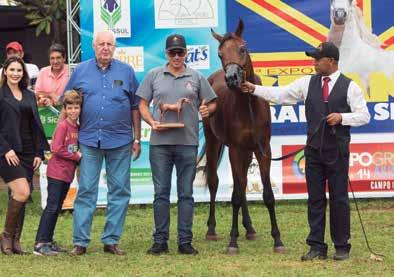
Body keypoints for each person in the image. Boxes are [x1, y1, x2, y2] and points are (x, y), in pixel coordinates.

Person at [241, 42, 370, 261]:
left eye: (318, 59)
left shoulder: (350, 87)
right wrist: (255, 89)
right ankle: (317, 246)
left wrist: (342, 117)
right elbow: (280, 94)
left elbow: (364, 116)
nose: (314, 62)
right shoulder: (307, 83)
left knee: (339, 199)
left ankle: (342, 246)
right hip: (313, 152)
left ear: (331, 61)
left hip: (337, 152)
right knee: (315, 199)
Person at [137, 34, 217, 255]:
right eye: (172, 52)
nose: (176, 56)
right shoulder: (153, 75)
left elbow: (212, 103)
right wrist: (150, 120)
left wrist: (206, 110)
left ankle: (185, 241)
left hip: (187, 143)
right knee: (161, 193)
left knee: (186, 193)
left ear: (186, 53)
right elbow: (142, 104)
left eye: (180, 52)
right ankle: (160, 241)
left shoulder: (197, 77)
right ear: (166, 54)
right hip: (159, 145)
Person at [64, 30, 141, 256]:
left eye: (109, 44)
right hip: (88, 140)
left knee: (119, 191)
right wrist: (68, 136)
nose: (105, 48)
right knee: (86, 190)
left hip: (120, 141)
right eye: (101, 44)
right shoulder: (80, 71)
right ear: (94, 47)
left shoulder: (126, 71)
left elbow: (135, 106)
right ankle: (80, 242)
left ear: (114, 47)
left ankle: (111, 240)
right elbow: (67, 103)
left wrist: (137, 138)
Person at [0, 56, 49, 255]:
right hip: (7, 152)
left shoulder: (29, 95)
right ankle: (5, 236)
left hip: (29, 152)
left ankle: (16, 241)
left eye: (19, 70)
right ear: (5, 72)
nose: (15, 73)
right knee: (22, 192)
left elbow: (35, 124)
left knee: (20, 196)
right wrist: (5, 149)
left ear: (24, 73)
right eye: (12, 70)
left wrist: (39, 151)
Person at [33, 90, 82, 256]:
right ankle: (40, 243)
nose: (74, 111)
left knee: (57, 207)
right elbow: (56, 148)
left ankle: (48, 240)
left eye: (77, 107)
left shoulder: (77, 126)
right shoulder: (63, 126)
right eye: (70, 108)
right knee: (52, 207)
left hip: (67, 174)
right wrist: (76, 156)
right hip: (56, 173)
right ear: (65, 109)